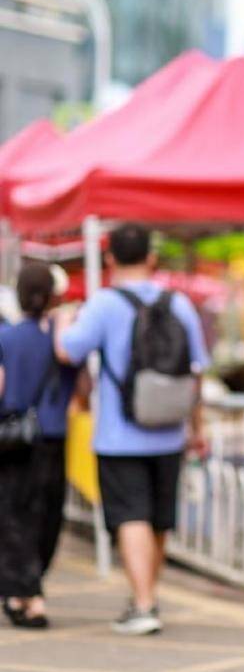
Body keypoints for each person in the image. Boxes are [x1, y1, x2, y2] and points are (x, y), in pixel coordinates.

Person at [54, 224, 210, 636]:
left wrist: (64, 320)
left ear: (110, 259)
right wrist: (197, 427)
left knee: (130, 516)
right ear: (152, 257)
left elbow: (68, 351)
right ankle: (147, 595)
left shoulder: (103, 304)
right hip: (170, 430)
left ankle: (143, 604)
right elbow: (197, 373)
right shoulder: (179, 303)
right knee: (158, 519)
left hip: (119, 435)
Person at [0, 264, 80, 628]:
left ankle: (24, 593)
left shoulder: (7, 337)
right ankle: (29, 590)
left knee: (14, 516)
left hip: (13, 440)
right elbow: (83, 388)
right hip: (54, 437)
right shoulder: (63, 341)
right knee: (47, 515)